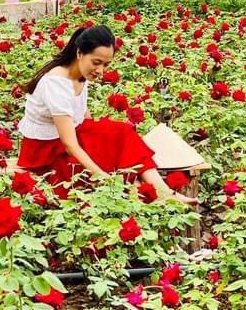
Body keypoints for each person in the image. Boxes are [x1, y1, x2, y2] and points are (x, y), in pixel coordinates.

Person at [17, 24, 198, 204]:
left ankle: (163, 191)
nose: (101, 70)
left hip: (69, 136)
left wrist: (101, 142)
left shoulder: (80, 73)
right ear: (79, 53)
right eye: (96, 62)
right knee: (100, 166)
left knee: (122, 133)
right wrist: (102, 177)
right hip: (46, 151)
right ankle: (144, 191)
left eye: (106, 64)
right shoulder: (56, 83)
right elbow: (69, 145)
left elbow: (82, 117)